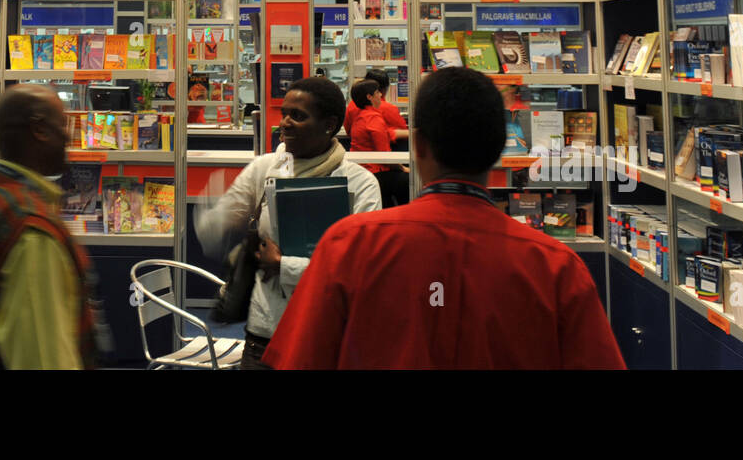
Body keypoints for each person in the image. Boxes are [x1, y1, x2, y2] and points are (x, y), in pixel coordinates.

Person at [263, 67, 625, 369]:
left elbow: (300, 358)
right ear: (500, 148)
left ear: (418, 146)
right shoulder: (556, 267)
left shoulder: (348, 245)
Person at [196, 76, 381, 369]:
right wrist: (219, 212)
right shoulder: (265, 169)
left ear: (329, 125)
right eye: (284, 113)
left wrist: (284, 266)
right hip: (267, 334)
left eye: (297, 116)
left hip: (329, 334)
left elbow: (361, 269)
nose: (284, 122)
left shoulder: (360, 184)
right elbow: (210, 231)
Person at [0, 84, 101, 369]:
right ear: (40, 130)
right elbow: (44, 358)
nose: (68, 135)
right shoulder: (32, 230)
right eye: (63, 124)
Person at [348, 79, 409, 209]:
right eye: (377, 92)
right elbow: (385, 156)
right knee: (408, 180)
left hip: (361, 170)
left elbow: (386, 134)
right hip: (374, 172)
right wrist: (404, 169)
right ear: (369, 97)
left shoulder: (362, 116)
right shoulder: (374, 118)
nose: (380, 95)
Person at [344, 68, 407, 142]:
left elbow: (348, 131)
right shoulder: (388, 109)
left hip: (356, 150)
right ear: (385, 89)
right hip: (383, 150)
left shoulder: (352, 105)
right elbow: (404, 134)